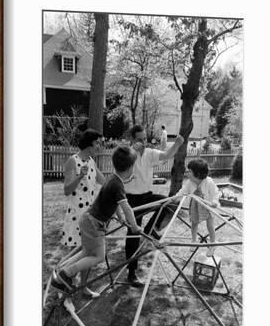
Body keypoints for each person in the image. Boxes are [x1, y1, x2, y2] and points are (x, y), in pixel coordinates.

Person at [52, 146, 141, 294]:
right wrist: (135, 227)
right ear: (130, 168)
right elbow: (127, 208)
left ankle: (62, 274)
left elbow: (116, 204)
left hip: (88, 220)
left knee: (87, 252)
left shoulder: (112, 179)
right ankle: (66, 274)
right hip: (94, 224)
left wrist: (119, 217)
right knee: (99, 256)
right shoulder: (117, 185)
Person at [124, 125, 184, 286]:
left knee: (167, 203)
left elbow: (166, 155)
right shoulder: (127, 154)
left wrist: (177, 143)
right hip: (131, 199)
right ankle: (131, 273)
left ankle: (150, 230)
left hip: (146, 195)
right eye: (139, 139)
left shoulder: (149, 153)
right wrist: (131, 151)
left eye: (144, 138)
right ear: (131, 140)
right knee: (133, 236)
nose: (143, 142)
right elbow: (121, 168)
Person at [61, 128, 106, 297]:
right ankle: (64, 290)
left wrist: (121, 183)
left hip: (89, 216)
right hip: (76, 215)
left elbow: (104, 182)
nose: (100, 146)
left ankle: (83, 287)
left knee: (90, 252)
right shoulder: (73, 161)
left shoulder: (92, 161)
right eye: (98, 143)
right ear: (89, 144)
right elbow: (67, 189)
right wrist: (79, 176)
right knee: (74, 253)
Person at [177, 158, 220, 257]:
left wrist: (214, 201)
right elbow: (182, 191)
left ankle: (213, 243)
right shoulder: (189, 182)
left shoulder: (209, 182)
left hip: (207, 206)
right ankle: (193, 240)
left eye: (190, 171)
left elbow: (216, 193)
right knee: (194, 223)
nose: (187, 172)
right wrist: (175, 198)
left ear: (198, 173)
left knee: (210, 225)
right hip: (195, 206)